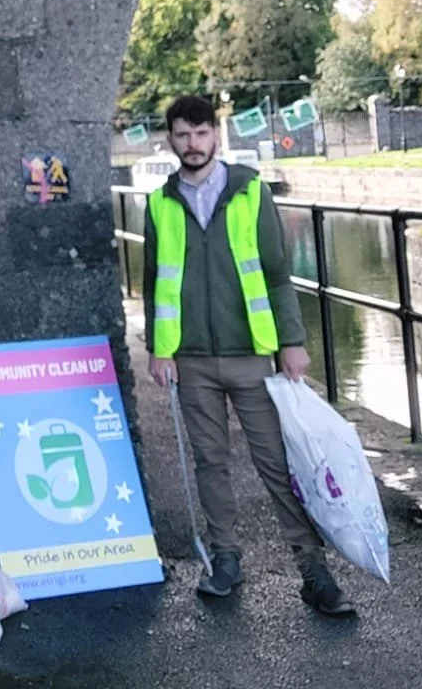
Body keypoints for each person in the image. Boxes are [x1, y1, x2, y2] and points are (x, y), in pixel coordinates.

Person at [143, 94, 356, 616]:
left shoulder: (250, 192)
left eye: (200, 133)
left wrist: (292, 340)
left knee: (278, 465)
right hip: (190, 359)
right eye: (181, 135)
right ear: (169, 139)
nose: (192, 144)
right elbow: (154, 285)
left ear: (215, 136)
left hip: (252, 355)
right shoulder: (158, 203)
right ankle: (225, 559)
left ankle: (313, 570)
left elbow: (277, 273)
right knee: (210, 463)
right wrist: (157, 349)